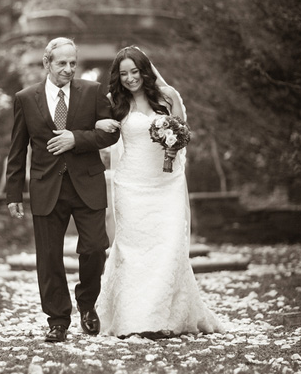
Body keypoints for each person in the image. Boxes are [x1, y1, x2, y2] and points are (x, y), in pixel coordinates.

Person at [95, 46, 224, 338]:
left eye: (134, 71)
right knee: (132, 248)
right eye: (123, 73)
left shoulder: (168, 97)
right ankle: (133, 318)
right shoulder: (113, 101)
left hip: (167, 185)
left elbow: (183, 134)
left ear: (145, 70)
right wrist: (99, 123)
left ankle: (166, 317)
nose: (130, 78)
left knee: (168, 245)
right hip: (130, 184)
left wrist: (174, 140)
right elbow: (99, 135)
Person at [6, 37, 120, 342]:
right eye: (62, 63)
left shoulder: (93, 92)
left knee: (96, 247)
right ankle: (57, 319)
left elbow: (110, 134)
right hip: (45, 186)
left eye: (73, 63)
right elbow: (17, 149)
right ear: (47, 63)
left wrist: (76, 139)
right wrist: (14, 193)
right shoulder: (26, 98)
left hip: (87, 183)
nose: (69, 69)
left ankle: (87, 304)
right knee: (49, 256)